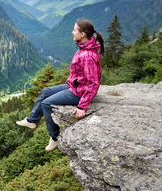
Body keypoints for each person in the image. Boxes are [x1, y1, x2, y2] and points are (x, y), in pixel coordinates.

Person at [16, 19, 104, 151]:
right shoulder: (84, 48)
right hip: (76, 86)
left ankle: (55, 138)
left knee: (46, 104)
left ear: (83, 34)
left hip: (80, 92)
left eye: (75, 30)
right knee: (45, 91)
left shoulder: (87, 55)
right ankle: (32, 120)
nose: (72, 32)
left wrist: (82, 106)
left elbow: (93, 83)